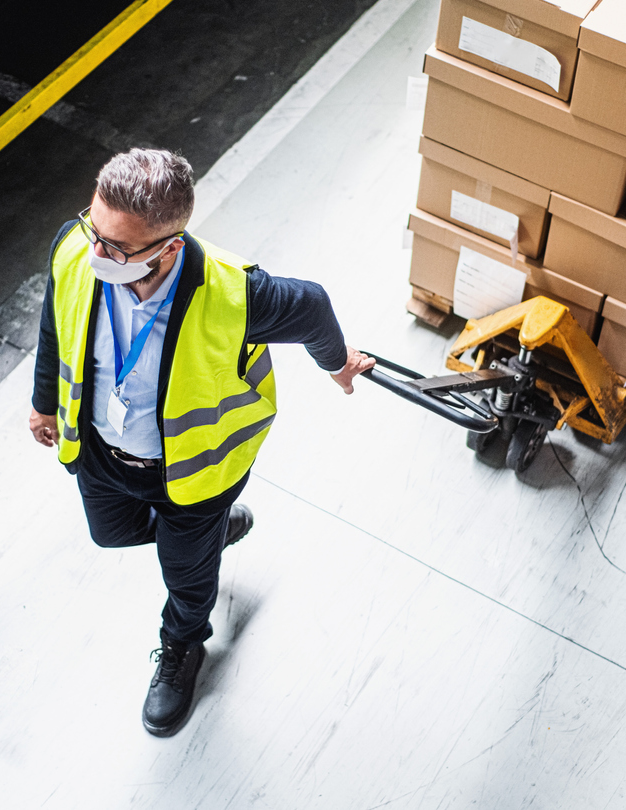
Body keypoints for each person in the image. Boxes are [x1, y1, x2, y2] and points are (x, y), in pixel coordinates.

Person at [28, 148, 373, 737]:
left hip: (193, 475)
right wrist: (42, 401)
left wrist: (338, 365)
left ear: (169, 247)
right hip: (103, 455)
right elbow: (56, 319)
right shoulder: (76, 249)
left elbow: (313, 306)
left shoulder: (236, 297)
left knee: (187, 580)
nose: (96, 253)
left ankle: (183, 645)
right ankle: (210, 536)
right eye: (95, 228)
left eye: (117, 248)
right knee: (109, 535)